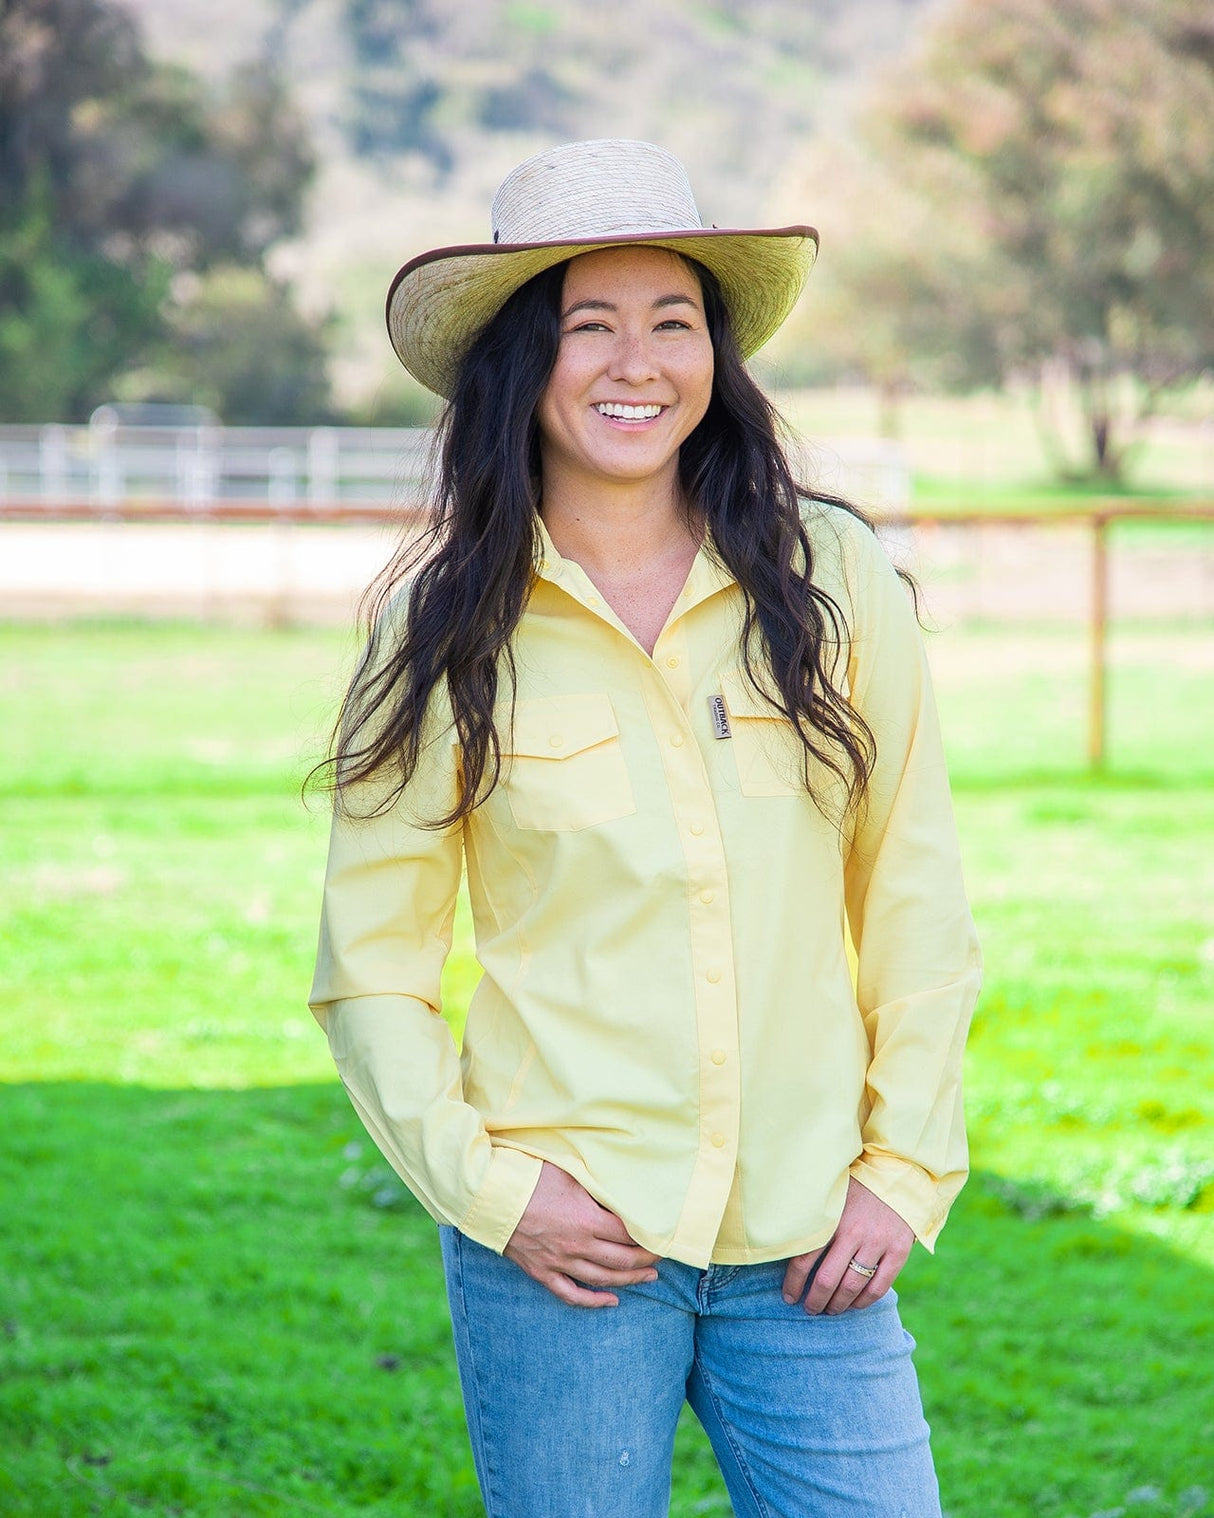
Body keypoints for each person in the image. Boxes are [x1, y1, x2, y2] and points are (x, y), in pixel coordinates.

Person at [309, 138, 981, 1518]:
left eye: (672, 321)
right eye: (587, 325)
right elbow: (369, 963)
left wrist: (900, 1169)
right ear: (517, 362)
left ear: (714, 358)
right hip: (563, 1247)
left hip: (813, 1242)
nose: (637, 362)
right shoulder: (438, 631)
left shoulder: (834, 576)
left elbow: (911, 887)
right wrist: (491, 1191)